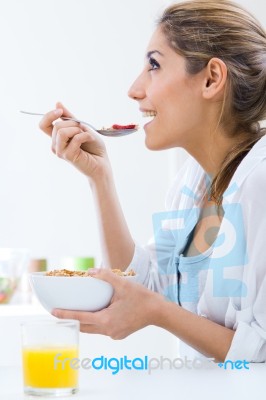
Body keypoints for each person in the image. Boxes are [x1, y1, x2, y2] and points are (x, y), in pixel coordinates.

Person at [39, 0, 266, 362]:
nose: (134, 89)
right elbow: (140, 284)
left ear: (211, 79)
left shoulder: (260, 182)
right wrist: (100, 177)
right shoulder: (191, 183)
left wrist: (158, 313)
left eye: (154, 65)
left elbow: (261, 350)